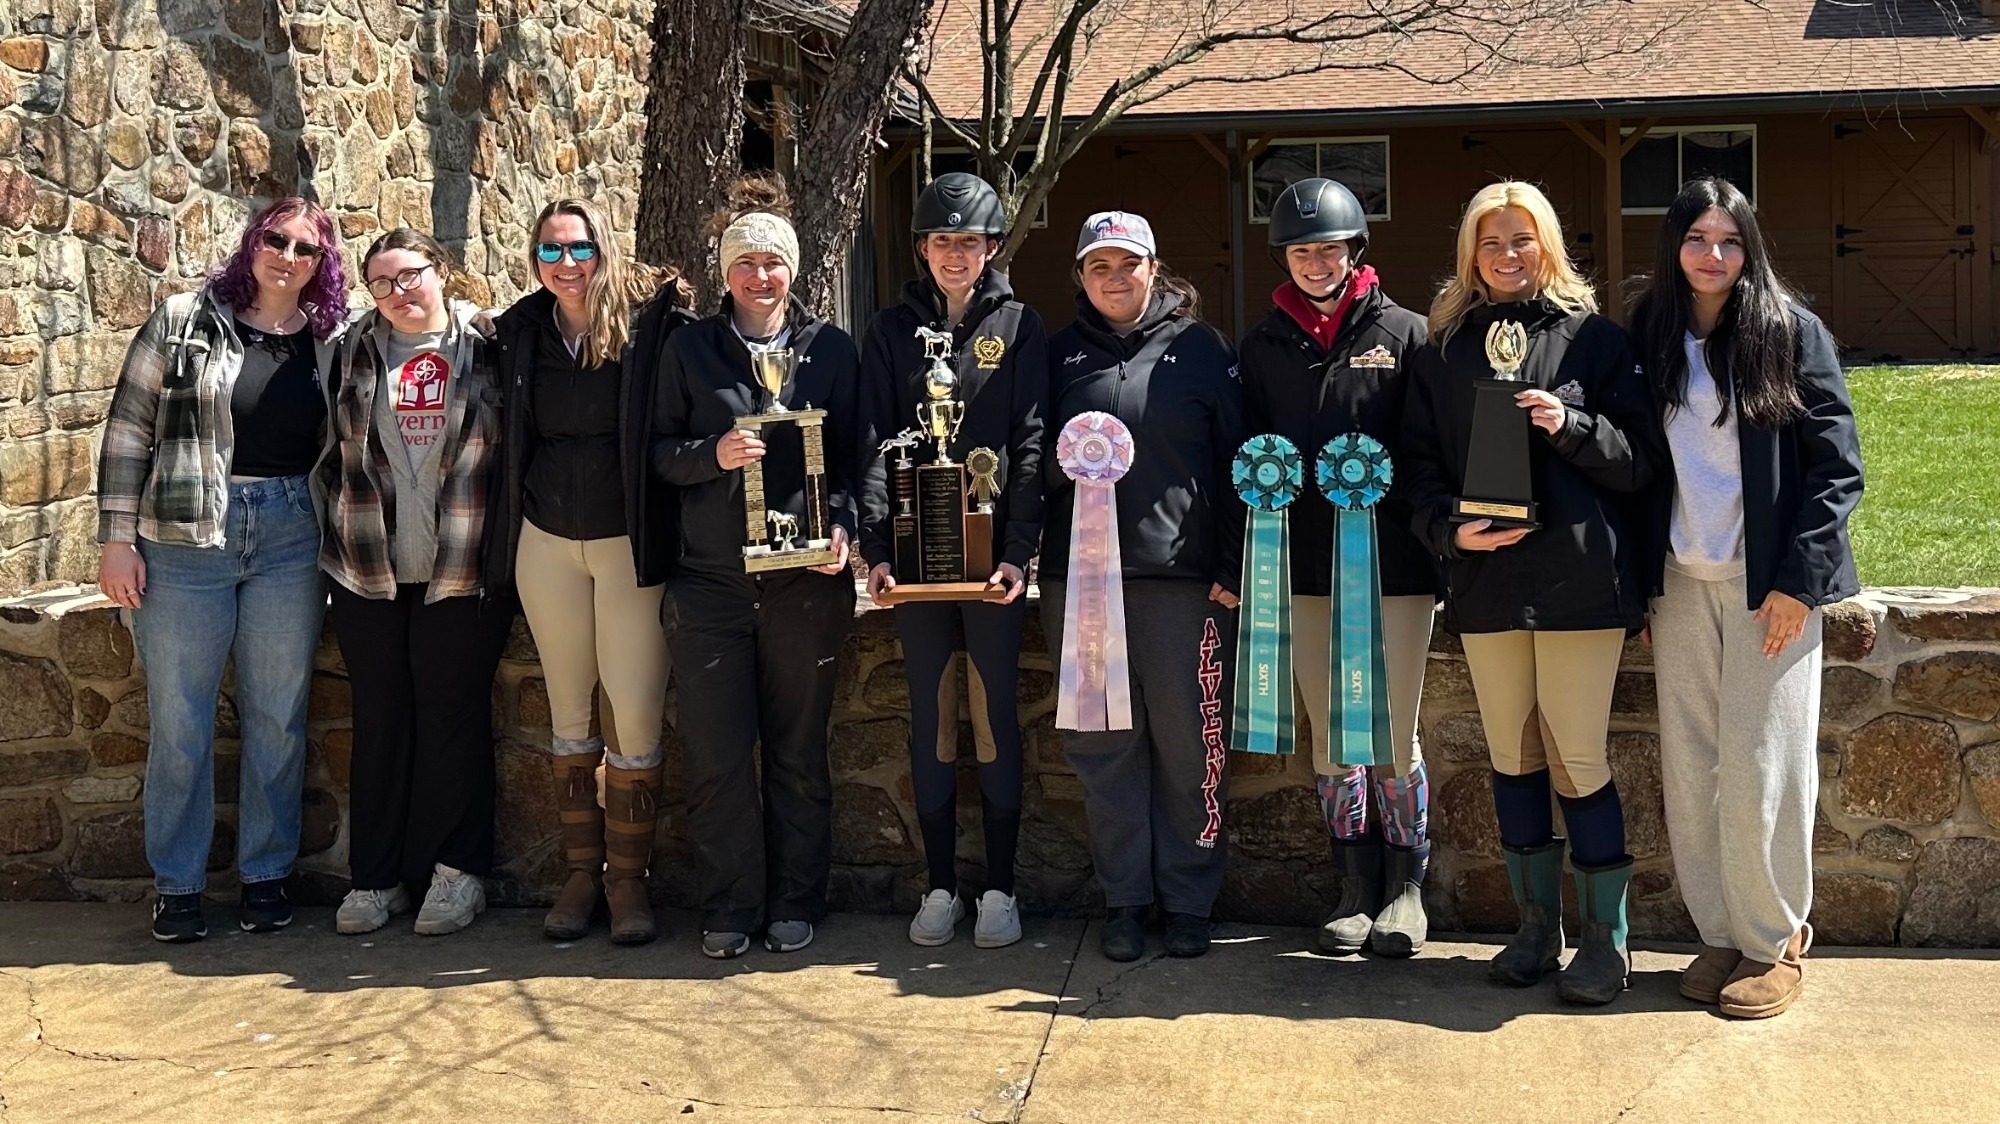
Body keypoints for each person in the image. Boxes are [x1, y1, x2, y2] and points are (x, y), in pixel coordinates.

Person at [1400, 181, 1664, 1005]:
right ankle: (1535, 927)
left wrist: (1571, 425)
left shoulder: (1598, 343)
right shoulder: (1442, 352)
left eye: (1522, 240)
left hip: (1581, 583)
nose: (1507, 256)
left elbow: (1640, 463)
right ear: (1469, 256)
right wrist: (1448, 529)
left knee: (1577, 756)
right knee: (1513, 757)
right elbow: (1418, 471)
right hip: (1486, 584)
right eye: (1490, 242)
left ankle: (1605, 944)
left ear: (1547, 245)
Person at [1631, 177, 1863, 1019]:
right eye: (1698, 238)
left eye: (1731, 241)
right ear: (1675, 245)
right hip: (1681, 589)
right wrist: (1643, 588)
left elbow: (1838, 470)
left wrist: (1800, 584)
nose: (1715, 256)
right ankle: (1723, 932)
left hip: (1770, 592)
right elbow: (1637, 468)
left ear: (1750, 247)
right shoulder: (1650, 335)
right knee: (1694, 768)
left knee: (1766, 765)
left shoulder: (1792, 333)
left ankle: (1776, 943)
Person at [97, 197, 346, 943]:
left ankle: (265, 875)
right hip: (182, 538)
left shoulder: (328, 341)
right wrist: (116, 539)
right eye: (276, 239)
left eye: (307, 249)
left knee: (278, 714)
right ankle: (177, 884)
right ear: (251, 244)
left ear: (320, 266)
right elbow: (127, 430)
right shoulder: (183, 319)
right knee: (181, 719)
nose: (288, 257)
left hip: (290, 537)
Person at [651, 176, 859, 959]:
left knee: (800, 753)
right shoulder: (689, 349)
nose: (760, 276)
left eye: (774, 262)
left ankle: (796, 903)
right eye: (746, 263)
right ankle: (731, 907)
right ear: (726, 272)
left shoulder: (832, 349)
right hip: (709, 584)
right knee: (717, 756)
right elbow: (658, 457)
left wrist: (842, 526)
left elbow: (853, 460)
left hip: (806, 587)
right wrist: (715, 453)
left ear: (794, 270)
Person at [1236, 178, 1440, 958]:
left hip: (1395, 566)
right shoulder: (1262, 346)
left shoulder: (1408, 334)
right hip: (1301, 567)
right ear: (1283, 258)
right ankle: (1354, 886)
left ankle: (1408, 888)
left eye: (1329, 249)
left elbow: (1428, 447)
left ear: (1355, 250)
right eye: (1300, 251)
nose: (1316, 263)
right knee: (1329, 738)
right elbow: (1251, 456)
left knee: (1392, 733)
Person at [487, 199, 698, 945]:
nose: (566, 265)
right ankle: (581, 872)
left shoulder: (652, 328)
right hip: (546, 541)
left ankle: (628, 881)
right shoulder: (519, 333)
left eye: (579, 250)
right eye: (550, 253)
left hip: (629, 545)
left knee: (635, 715)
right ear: (534, 260)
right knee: (569, 712)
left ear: (604, 250)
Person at [1041, 211, 1244, 961]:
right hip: (1082, 588)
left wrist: (1232, 568)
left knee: (1192, 749)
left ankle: (1189, 900)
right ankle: (1125, 900)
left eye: (1129, 264)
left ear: (1154, 269)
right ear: (1082, 276)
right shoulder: (1057, 356)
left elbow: (1236, 465)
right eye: (1100, 266)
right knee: (1103, 752)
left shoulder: (1202, 351)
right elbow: (1031, 464)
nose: (1115, 278)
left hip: (1181, 588)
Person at [856, 172, 1046, 950]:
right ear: (923, 249)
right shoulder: (887, 330)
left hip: (989, 561)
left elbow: (1032, 439)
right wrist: (874, 548)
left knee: (994, 715)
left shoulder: (1022, 325)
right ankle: (940, 886)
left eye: (969, 241)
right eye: (942, 241)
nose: (955, 254)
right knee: (934, 717)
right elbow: (872, 440)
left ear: (992, 246)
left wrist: (1020, 550)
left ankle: (999, 888)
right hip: (916, 559)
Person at [323, 228, 515, 938]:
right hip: (367, 567)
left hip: (461, 567)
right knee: (379, 720)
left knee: (453, 719)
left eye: (410, 276)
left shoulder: (490, 346)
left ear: (442, 271)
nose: (398, 294)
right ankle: (376, 880)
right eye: (381, 283)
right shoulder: (349, 349)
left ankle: (455, 875)